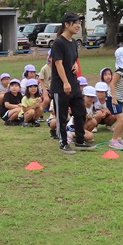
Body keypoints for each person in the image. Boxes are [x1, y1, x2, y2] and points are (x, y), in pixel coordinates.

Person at [51, 12, 94, 153]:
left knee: (80, 112)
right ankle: (63, 143)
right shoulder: (58, 42)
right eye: (75, 23)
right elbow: (58, 63)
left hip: (74, 84)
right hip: (61, 86)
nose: (78, 26)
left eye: (79, 23)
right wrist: (65, 82)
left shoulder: (74, 43)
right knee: (62, 116)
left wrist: (75, 65)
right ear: (67, 24)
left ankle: (80, 141)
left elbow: (74, 59)